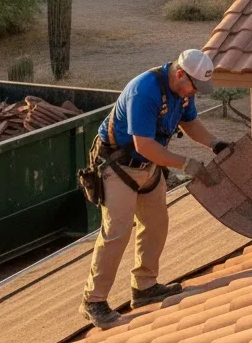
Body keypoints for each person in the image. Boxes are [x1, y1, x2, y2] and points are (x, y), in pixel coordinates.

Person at [80, 49, 230, 329]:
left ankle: (144, 288)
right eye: (194, 86)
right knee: (117, 232)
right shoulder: (145, 91)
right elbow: (144, 145)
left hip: (148, 168)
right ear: (181, 74)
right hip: (118, 167)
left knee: (156, 224)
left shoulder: (184, 91)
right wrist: (186, 164)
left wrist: (214, 143)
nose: (194, 93)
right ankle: (94, 301)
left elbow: (189, 122)